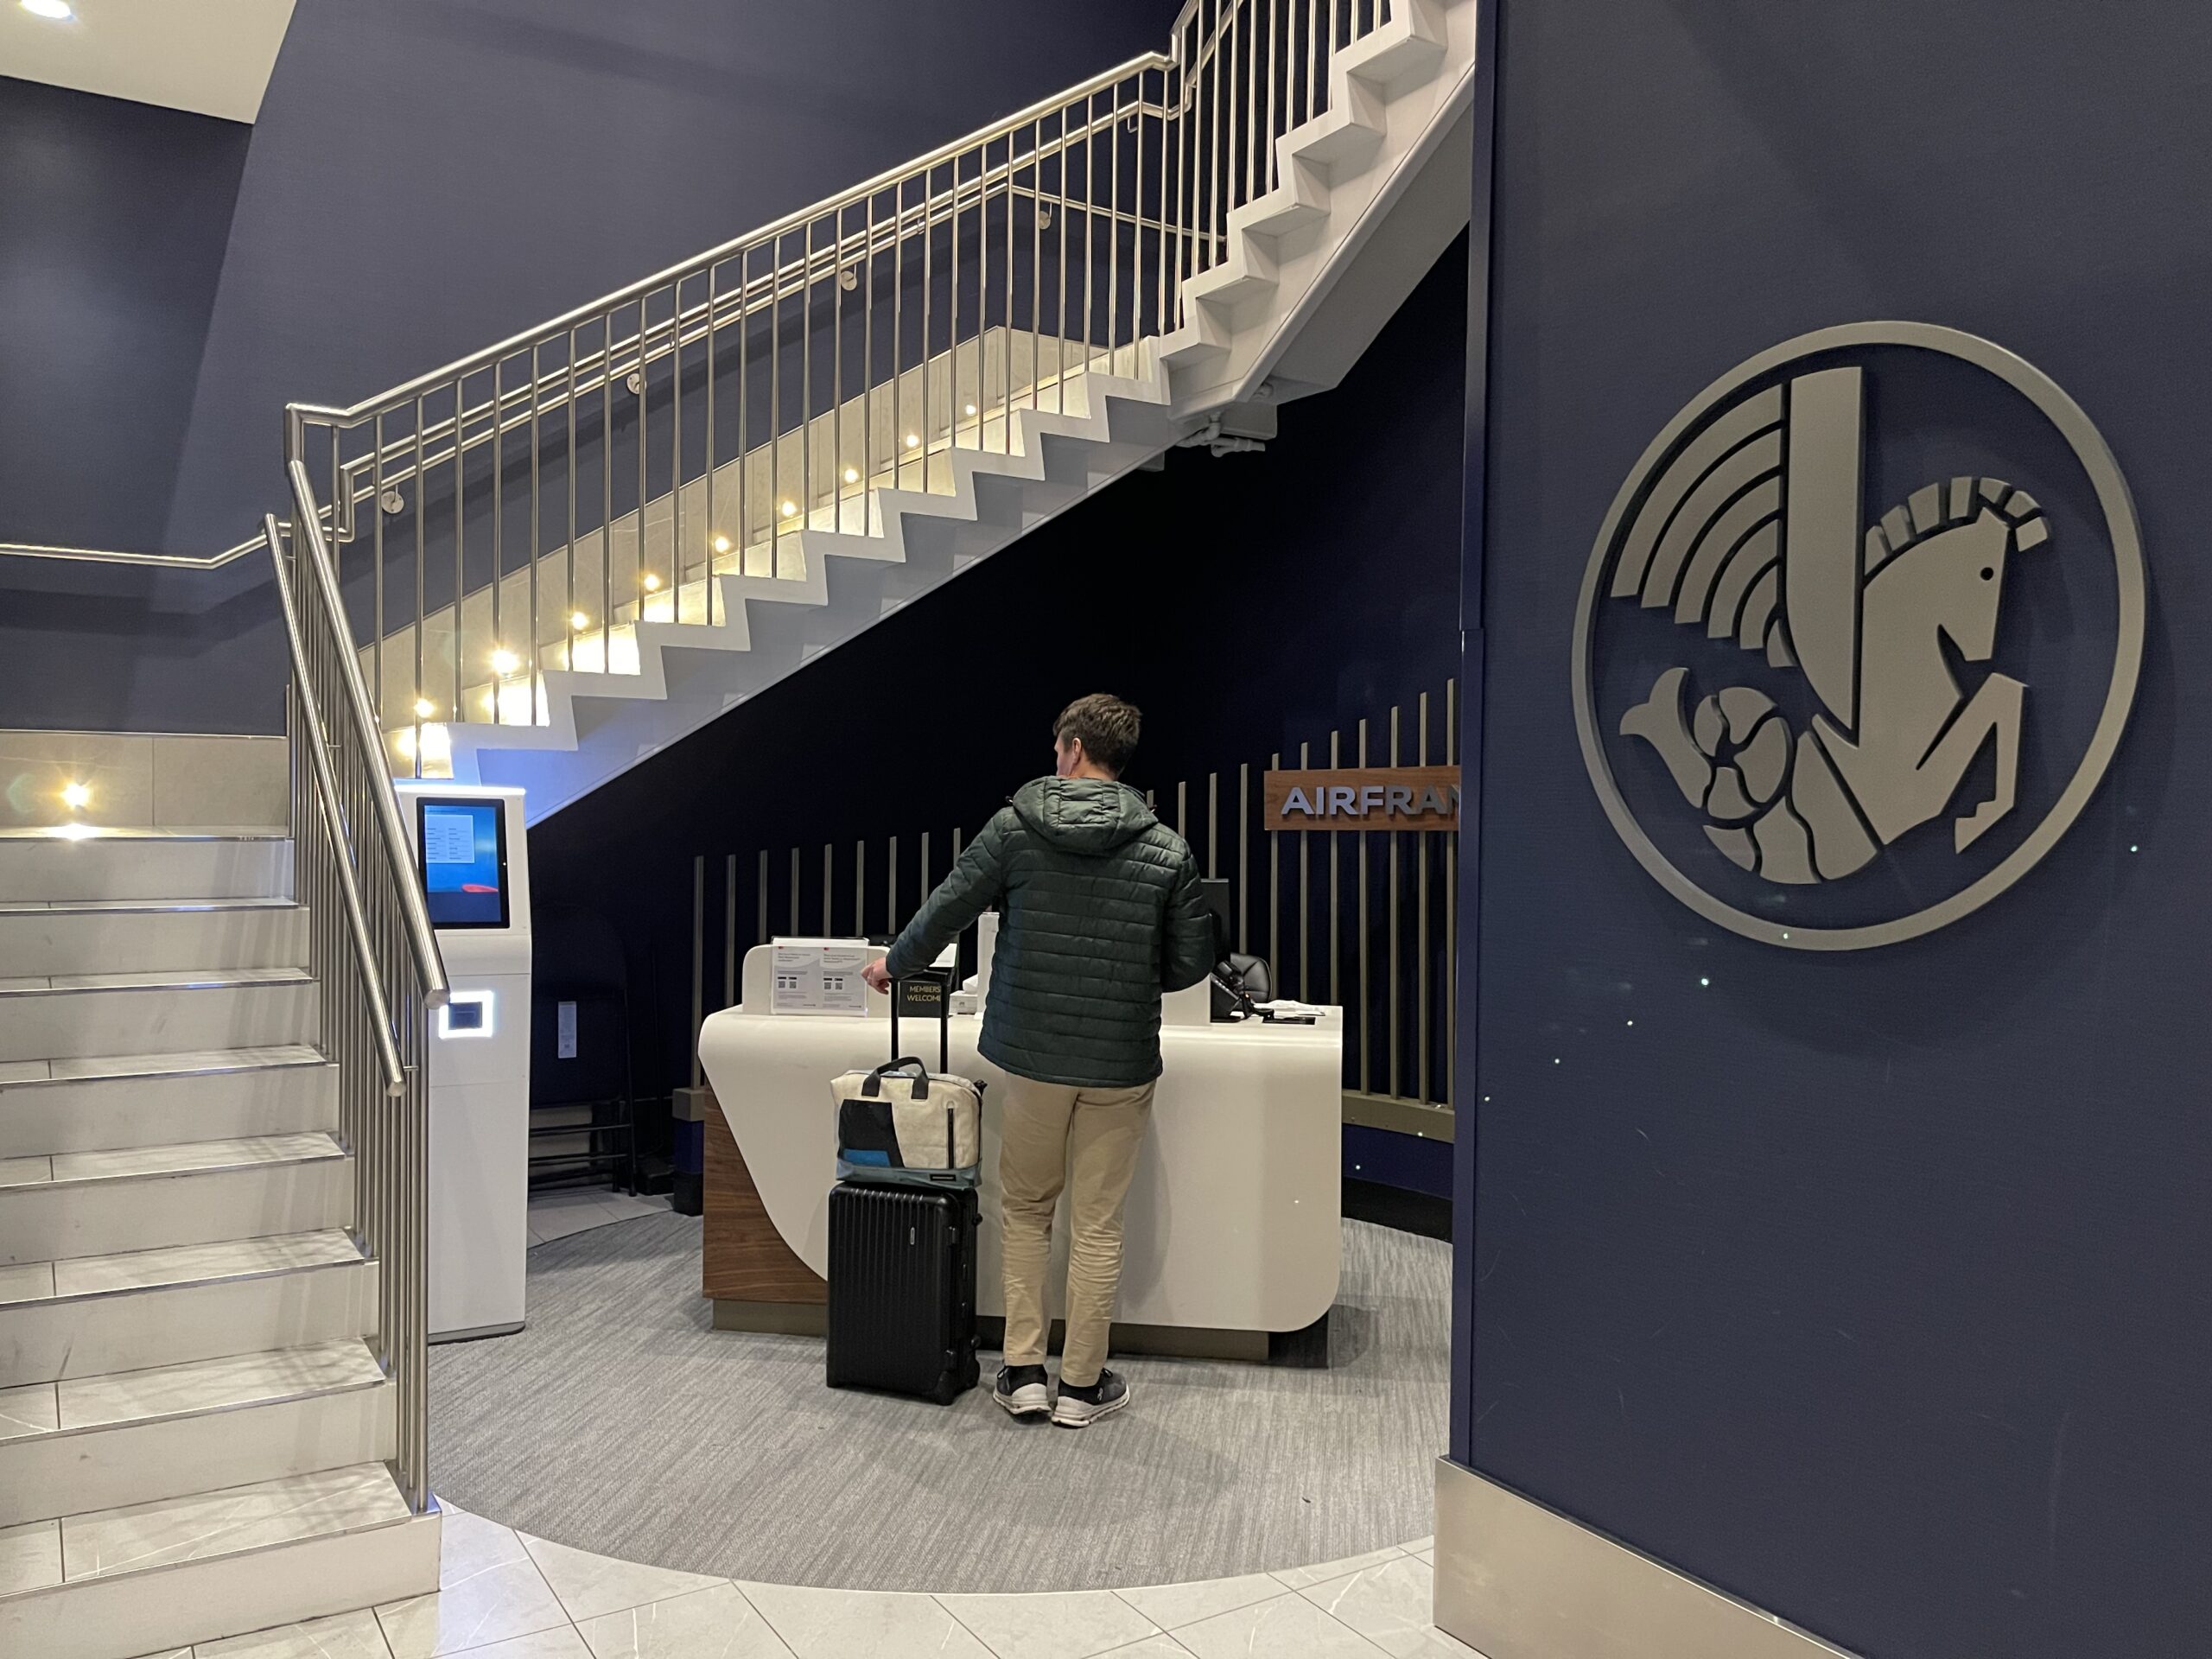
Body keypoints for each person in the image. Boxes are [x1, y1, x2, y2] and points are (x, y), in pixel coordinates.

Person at [861, 693, 1217, 1427]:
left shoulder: (1014, 829)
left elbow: (949, 906)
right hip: (1119, 1062)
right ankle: (1082, 1388)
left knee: (1025, 1209)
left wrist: (896, 963)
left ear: (1074, 749)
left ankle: (1022, 1373)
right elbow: (1189, 967)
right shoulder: (1167, 848)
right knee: (1098, 1225)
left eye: (1058, 746)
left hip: (1028, 1056)